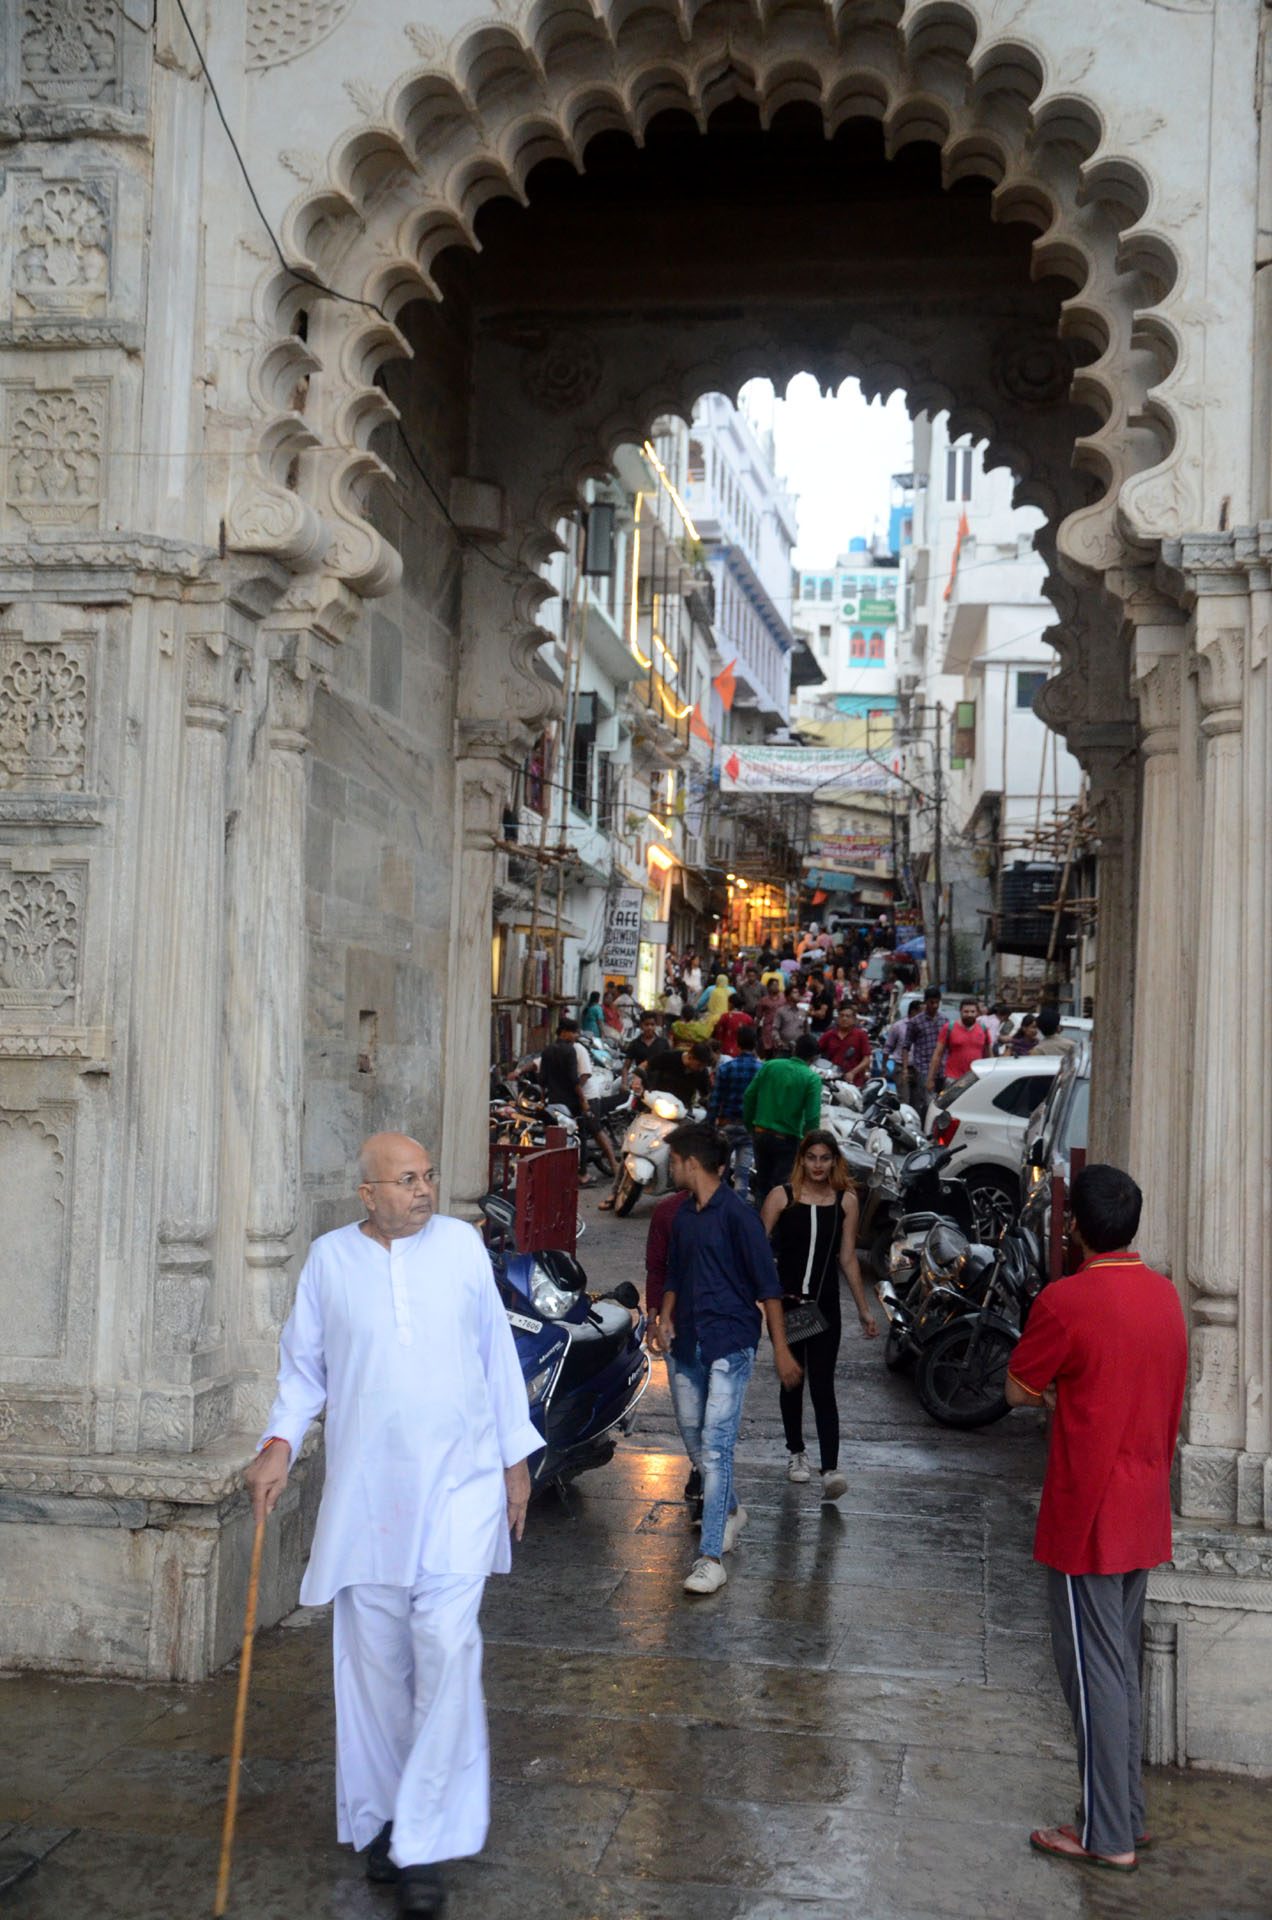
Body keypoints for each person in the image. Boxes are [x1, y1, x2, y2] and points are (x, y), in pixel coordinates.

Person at [244, 1133, 542, 1917]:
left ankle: (424, 1838)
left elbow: (496, 1357)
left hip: (460, 1487)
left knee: (447, 1647)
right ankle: (383, 1821)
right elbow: (302, 1371)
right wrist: (278, 1444)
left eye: (428, 1176)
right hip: (368, 1499)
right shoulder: (329, 1261)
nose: (424, 1191)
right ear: (367, 1194)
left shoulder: (462, 1248)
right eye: (406, 1180)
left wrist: (515, 1462)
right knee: (375, 1669)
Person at [1005, 1164, 1187, 1876]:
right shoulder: (1165, 1295)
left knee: (1094, 1677)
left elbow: (1017, 1389)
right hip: (1144, 1502)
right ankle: (1125, 1815)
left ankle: (1107, 1832)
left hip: (1088, 1513)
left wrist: (1058, 1396)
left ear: (1075, 1226)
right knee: (1118, 1668)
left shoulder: (1067, 1300)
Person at [658, 1123, 803, 1594]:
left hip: (731, 1343)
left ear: (691, 1163)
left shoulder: (740, 1217)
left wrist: (781, 1350)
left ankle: (711, 1558)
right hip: (687, 1343)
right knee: (696, 1446)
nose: (670, 1167)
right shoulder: (683, 1215)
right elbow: (674, 1272)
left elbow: (768, 1288)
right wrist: (665, 1317)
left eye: (674, 1160)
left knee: (717, 1449)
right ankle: (733, 1509)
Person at [761, 1130, 879, 1499]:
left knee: (824, 1384)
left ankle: (830, 1468)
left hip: (825, 1305)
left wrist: (864, 1310)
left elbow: (848, 1258)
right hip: (788, 1304)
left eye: (825, 1158)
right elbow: (757, 1251)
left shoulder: (846, 1201)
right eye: (811, 1157)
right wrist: (756, 1298)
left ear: (834, 1161)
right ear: (801, 1159)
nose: (818, 1165)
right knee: (792, 1380)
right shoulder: (782, 1196)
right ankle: (796, 1453)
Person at [743, 1032, 824, 1201]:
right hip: (788, 1140)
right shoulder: (812, 1079)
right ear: (812, 1059)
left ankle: (759, 1216)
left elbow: (749, 1096)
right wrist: (809, 1146)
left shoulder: (770, 1066)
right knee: (780, 1191)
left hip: (761, 1133)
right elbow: (812, 1118)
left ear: (794, 1050)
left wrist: (750, 1127)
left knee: (762, 1185)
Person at [539, 1017, 620, 1185]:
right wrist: (582, 1100)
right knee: (579, 1135)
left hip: (562, 1099)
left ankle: (613, 1164)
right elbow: (573, 1079)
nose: (576, 1036)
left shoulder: (549, 1050)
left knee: (585, 1130)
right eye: (574, 1032)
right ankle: (581, 1174)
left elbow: (543, 1079)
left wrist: (543, 1099)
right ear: (564, 1032)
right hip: (574, 1099)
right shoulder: (570, 1050)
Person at [705, 1020, 762, 1198]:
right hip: (749, 1128)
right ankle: (739, 1207)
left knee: (721, 1170)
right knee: (742, 1173)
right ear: (755, 1044)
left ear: (737, 1044)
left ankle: (718, 1203)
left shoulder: (726, 1068)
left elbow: (715, 1100)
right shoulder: (762, 1070)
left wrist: (710, 1125)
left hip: (726, 1125)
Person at [928, 996, 990, 1093]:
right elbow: (937, 1055)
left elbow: (988, 1056)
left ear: (977, 1013)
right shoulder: (949, 1027)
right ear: (960, 1012)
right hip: (953, 1078)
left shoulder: (983, 1029)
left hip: (976, 1078)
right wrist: (930, 1079)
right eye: (966, 1012)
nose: (969, 1014)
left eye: (972, 1012)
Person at [901, 984, 946, 1107]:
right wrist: (905, 1069)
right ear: (926, 1002)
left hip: (942, 1069)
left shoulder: (944, 1020)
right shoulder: (915, 1022)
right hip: (923, 1067)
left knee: (943, 1102)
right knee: (929, 1102)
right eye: (932, 1002)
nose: (935, 1006)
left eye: (937, 1003)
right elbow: (906, 1046)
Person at [819, 1004, 871, 1085]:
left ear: (854, 1020)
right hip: (831, 1079)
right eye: (841, 1016)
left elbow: (866, 1059)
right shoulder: (830, 1034)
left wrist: (853, 1072)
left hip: (853, 1081)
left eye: (848, 1016)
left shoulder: (861, 1035)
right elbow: (816, 1049)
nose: (844, 1018)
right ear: (837, 1018)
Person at [623, 1008, 669, 1087]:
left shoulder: (663, 1043)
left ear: (655, 1025)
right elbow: (626, 1067)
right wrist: (624, 1084)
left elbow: (669, 1065)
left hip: (659, 1086)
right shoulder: (635, 1044)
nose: (650, 1027)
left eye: (652, 1024)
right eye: (646, 1024)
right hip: (639, 1085)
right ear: (641, 1025)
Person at [770, 980, 806, 1056]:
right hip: (784, 1049)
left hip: (799, 1051)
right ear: (788, 996)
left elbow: (806, 1031)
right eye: (795, 992)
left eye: (798, 992)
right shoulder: (781, 1011)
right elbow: (774, 1029)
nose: (798, 994)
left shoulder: (803, 1012)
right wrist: (778, 1041)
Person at [713, 992, 751, 1058]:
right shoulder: (748, 1018)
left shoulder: (725, 1017)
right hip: (742, 1053)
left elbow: (719, 1036)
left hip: (726, 1051)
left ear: (731, 1004)